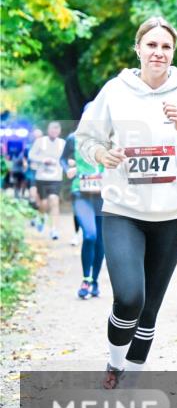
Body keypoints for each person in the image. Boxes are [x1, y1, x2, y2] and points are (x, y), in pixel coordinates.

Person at [76, 16, 177, 389]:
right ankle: (113, 364)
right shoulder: (115, 90)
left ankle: (131, 383)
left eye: (166, 47)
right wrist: (101, 154)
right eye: (152, 45)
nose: (158, 52)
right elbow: (86, 138)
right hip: (123, 210)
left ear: (174, 53)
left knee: (150, 309)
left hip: (173, 216)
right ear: (138, 48)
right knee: (129, 298)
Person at [61, 119, 106, 299]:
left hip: (103, 194)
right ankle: (86, 279)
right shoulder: (74, 138)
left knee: (101, 239)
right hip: (81, 191)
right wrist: (68, 169)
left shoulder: (108, 137)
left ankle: (94, 280)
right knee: (90, 235)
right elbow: (63, 159)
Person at [28, 121, 66, 239]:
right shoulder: (40, 141)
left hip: (56, 178)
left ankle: (54, 230)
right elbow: (31, 155)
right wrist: (43, 160)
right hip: (41, 177)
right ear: (48, 130)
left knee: (54, 200)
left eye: (56, 129)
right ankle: (42, 216)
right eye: (52, 129)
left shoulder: (63, 143)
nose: (54, 131)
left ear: (59, 131)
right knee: (43, 203)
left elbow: (66, 158)